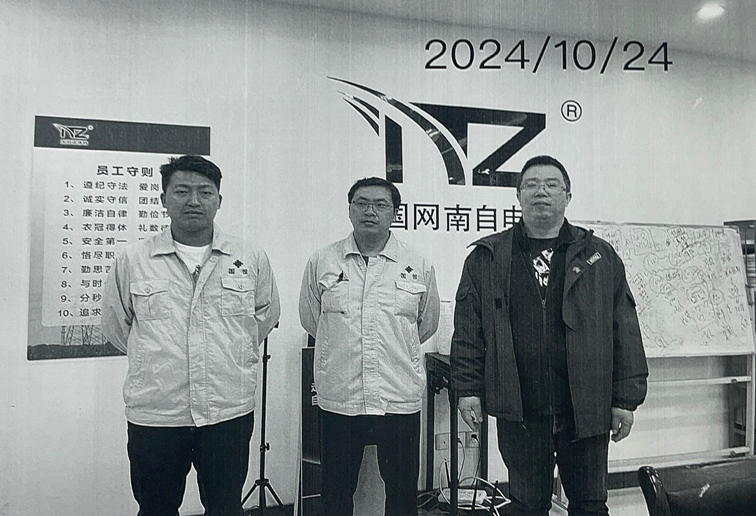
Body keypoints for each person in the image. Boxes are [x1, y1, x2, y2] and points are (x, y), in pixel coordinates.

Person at [450, 155, 648, 516]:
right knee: (527, 506)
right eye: (531, 184)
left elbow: (625, 330)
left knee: (590, 505)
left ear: (567, 196)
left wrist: (626, 399)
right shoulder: (488, 257)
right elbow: (468, 332)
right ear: (518, 195)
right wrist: (467, 390)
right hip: (521, 411)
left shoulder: (599, 256)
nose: (541, 191)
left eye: (551, 184)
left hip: (585, 409)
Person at [102, 155, 280, 516]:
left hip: (228, 409)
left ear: (219, 200)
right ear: (163, 199)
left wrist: (231, 352)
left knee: (225, 507)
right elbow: (117, 326)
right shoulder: (134, 259)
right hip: (158, 412)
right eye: (182, 191)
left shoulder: (249, 256)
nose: (193, 201)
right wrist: (158, 362)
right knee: (156, 507)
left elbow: (264, 315)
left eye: (205, 192)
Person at [299, 177, 440, 516]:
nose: (370, 211)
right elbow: (312, 319)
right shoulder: (323, 261)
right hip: (341, 395)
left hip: (398, 394)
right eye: (361, 203)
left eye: (380, 205)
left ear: (395, 213)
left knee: (402, 491)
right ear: (349, 210)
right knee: (336, 489)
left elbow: (426, 322)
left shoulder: (417, 264)